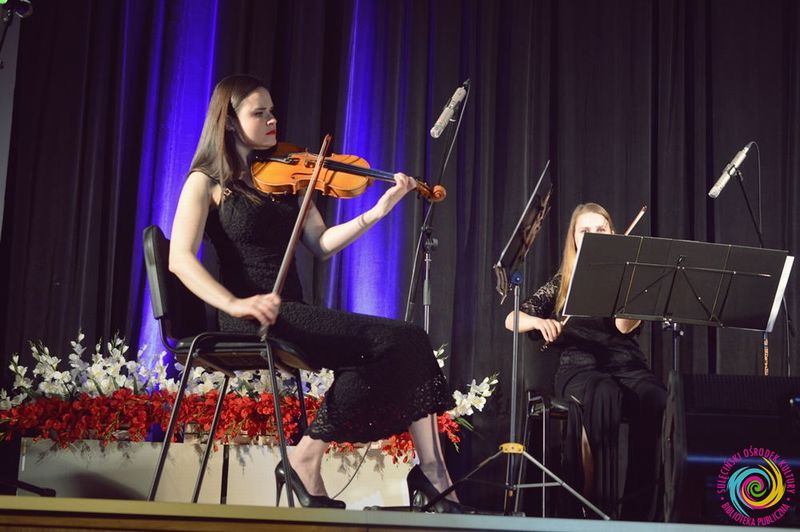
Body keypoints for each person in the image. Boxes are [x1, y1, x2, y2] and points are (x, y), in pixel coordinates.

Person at [169, 74, 462, 511]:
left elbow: (321, 244)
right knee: (404, 339)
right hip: (250, 316)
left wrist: (376, 212)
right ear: (228, 122)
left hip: (292, 311)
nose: (272, 120)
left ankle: (429, 472)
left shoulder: (287, 174)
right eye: (259, 113)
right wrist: (235, 303)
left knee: (405, 342)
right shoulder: (206, 181)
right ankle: (312, 459)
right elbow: (179, 259)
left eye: (272, 111)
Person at [505, 202, 666, 520]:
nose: (593, 235)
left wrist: (630, 290)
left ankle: (640, 513)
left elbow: (624, 328)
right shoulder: (563, 282)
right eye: (585, 230)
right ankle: (595, 508)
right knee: (603, 392)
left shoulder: (626, 277)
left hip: (627, 365)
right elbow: (512, 319)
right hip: (579, 368)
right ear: (575, 239)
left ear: (613, 234)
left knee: (658, 399)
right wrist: (539, 322)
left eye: (600, 229)